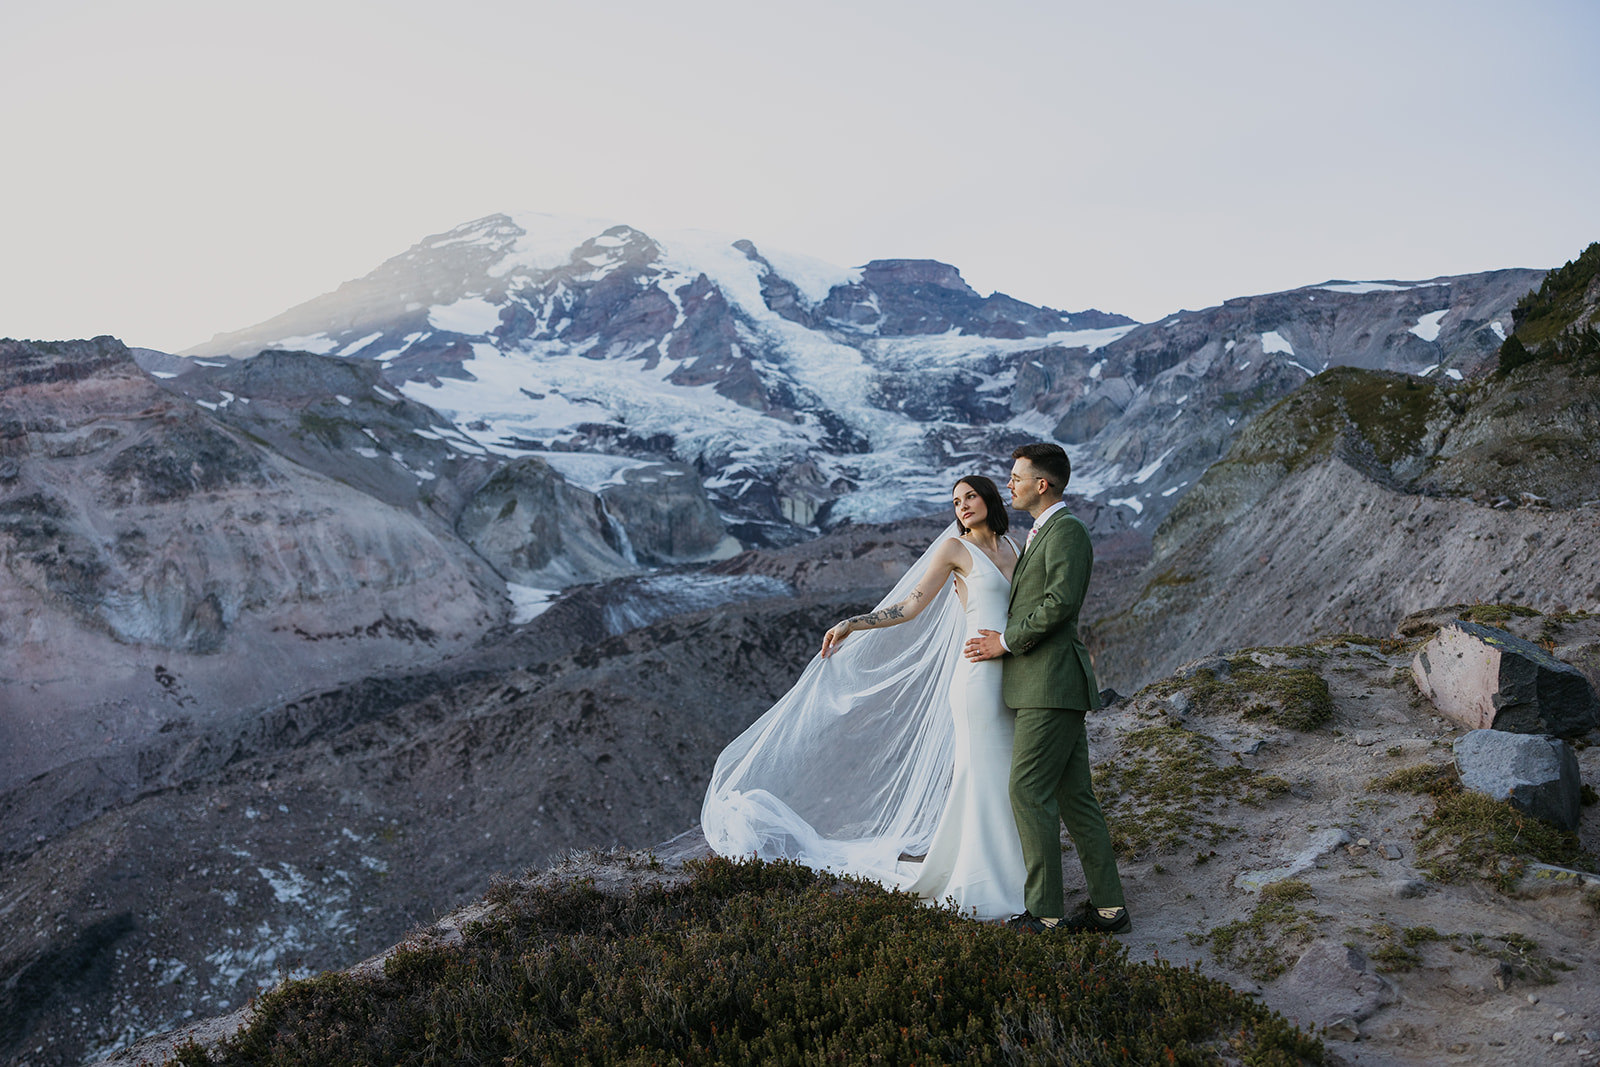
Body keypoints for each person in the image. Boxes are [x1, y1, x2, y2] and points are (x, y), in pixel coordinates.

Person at [701, 476, 1027, 920]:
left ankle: (1012, 873)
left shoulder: (1015, 546)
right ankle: (986, 883)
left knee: (1006, 777)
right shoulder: (954, 550)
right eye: (955, 501)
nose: (963, 505)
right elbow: (910, 606)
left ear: (988, 496)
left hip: (1013, 674)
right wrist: (853, 622)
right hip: (975, 677)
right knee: (983, 775)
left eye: (970, 495)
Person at [964, 443, 1130, 934]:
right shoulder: (1040, 533)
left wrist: (1005, 643)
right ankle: (1109, 908)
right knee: (1076, 796)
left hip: (1049, 682)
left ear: (1043, 484)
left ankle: (1045, 915)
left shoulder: (1068, 531)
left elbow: (1060, 603)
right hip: (1046, 682)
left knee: (1027, 789)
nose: (1009, 485)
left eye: (1017, 477)